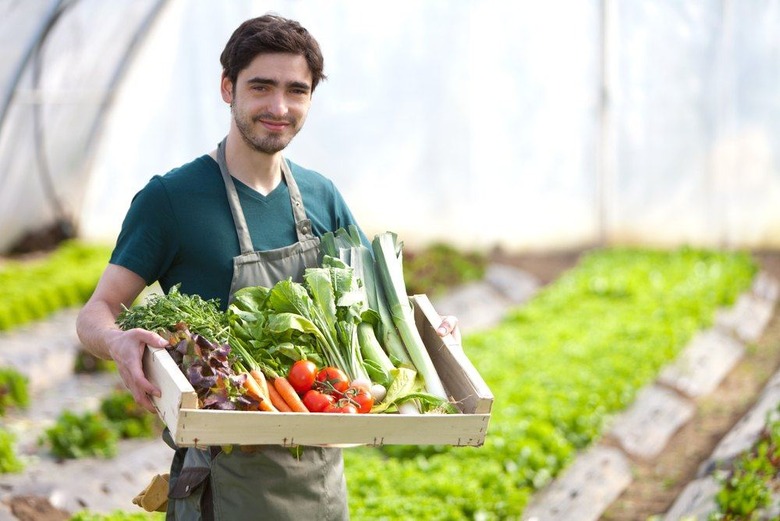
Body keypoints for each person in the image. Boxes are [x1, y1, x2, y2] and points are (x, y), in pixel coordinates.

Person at [76, 13, 460, 521]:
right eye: (261, 87)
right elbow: (97, 311)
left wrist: (427, 334)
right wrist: (117, 341)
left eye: (296, 91)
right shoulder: (171, 199)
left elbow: (371, 314)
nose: (279, 108)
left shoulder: (323, 197)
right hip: (221, 483)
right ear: (227, 87)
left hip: (320, 484)